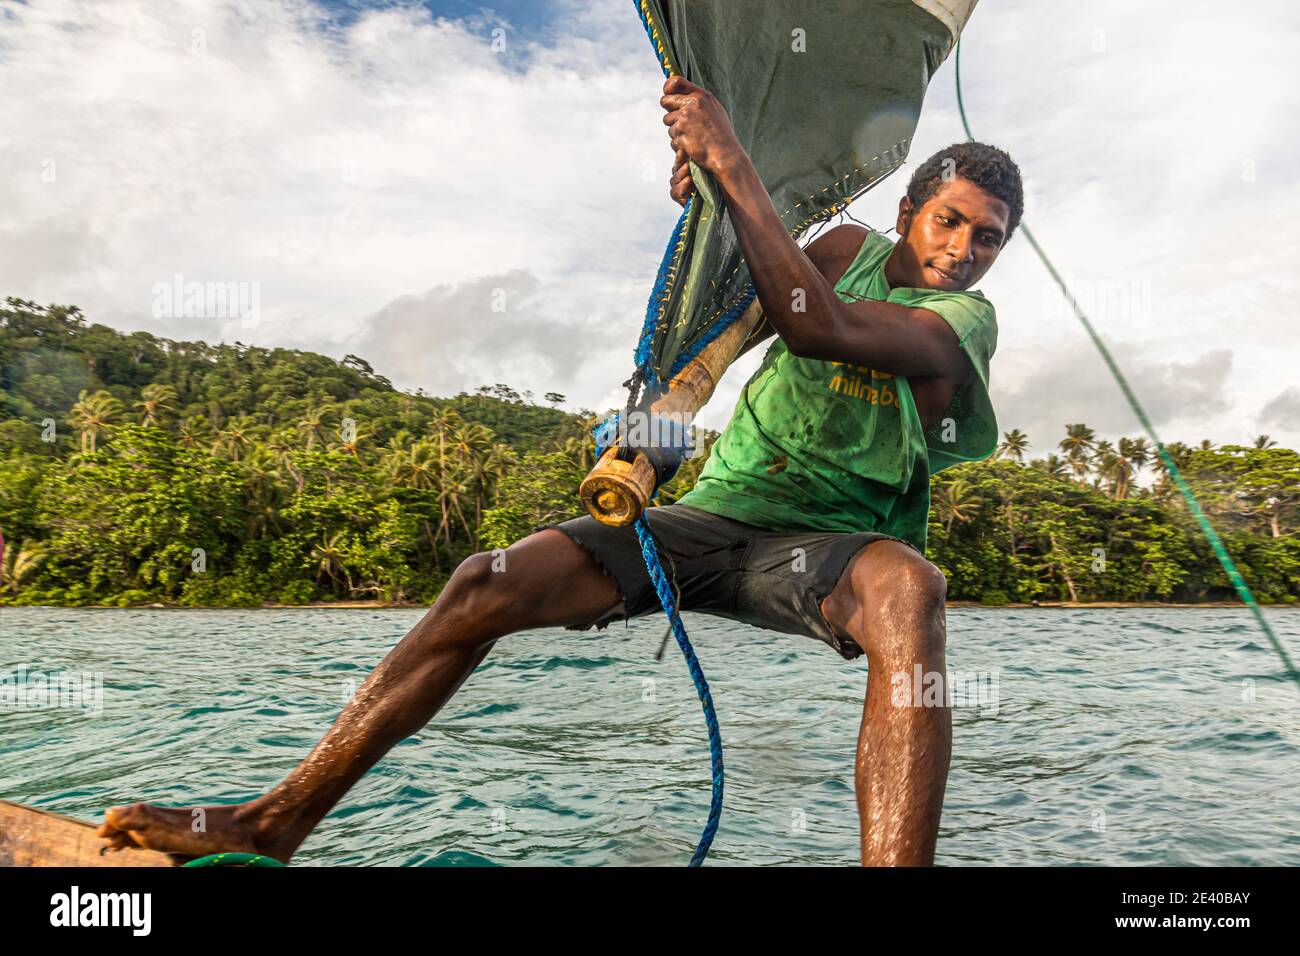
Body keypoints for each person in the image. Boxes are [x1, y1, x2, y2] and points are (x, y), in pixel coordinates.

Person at [99, 75, 1023, 866]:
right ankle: (275, 822)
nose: (962, 251)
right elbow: (731, 312)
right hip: (715, 514)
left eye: (988, 239)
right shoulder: (844, 251)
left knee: (909, 589)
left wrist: (734, 164)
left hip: (830, 549)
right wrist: (709, 196)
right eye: (948, 221)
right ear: (908, 212)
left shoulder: (963, 326)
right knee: (484, 582)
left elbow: (817, 324)